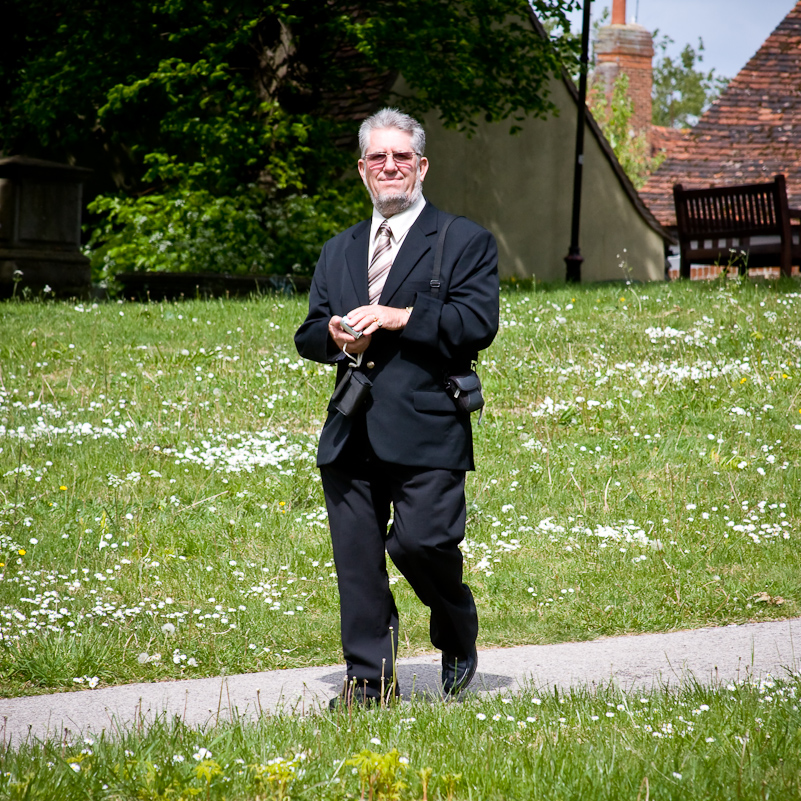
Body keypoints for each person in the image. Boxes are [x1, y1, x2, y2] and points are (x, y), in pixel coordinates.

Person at [294, 107, 499, 708]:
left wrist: (398, 316)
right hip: (350, 428)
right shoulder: (339, 249)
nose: (391, 167)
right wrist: (335, 337)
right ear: (362, 170)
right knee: (358, 564)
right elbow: (308, 332)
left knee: (420, 546)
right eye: (378, 158)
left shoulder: (463, 240)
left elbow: (476, 324)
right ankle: (368, 682)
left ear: (421, 166)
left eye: (401, 157)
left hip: (429, 425)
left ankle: (456, 627)